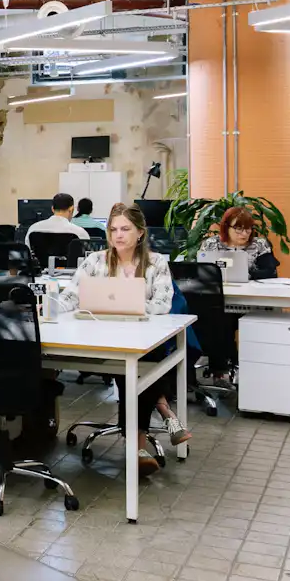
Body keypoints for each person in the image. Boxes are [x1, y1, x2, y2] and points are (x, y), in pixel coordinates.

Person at [59, 202, 187, 475]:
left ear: (140, 232)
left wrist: (131, 306)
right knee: (136, 371)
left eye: (125, 229)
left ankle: (137, 446)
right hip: (100, 337)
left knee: (139, 369)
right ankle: (162, 414)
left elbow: (163, 304)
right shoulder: (95, 261)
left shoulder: (156, 262)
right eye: (113, 229)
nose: (118, 235)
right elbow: (71, 295)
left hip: (142, 338)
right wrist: (49, 308)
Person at [200, 206, 280, 279]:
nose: (244, 234)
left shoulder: (260, 244)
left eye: (248, 228)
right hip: (219, 288)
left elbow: (271, 273)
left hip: (251, 288)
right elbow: (201, 273)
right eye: (239, 229)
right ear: (226, 227)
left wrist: (249, 275)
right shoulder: (211, 244)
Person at [26, 192, 90, 241]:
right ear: (71, 209)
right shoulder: (79, 232)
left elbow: (28, 250)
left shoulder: (33, 229)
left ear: (52, 209)